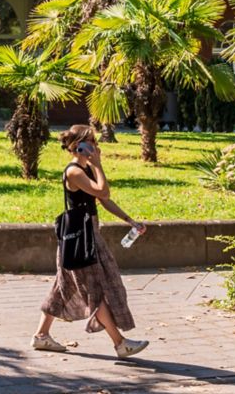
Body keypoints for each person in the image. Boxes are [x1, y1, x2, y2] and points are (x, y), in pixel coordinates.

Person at [33, 124, 150, 360]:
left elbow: (104, 200)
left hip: (89, 236)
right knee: (95, 289)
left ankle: (41, 336)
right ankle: (120, 343)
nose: (96, 146)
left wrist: (129, 220)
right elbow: (103, 191)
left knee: (62, 288)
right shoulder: (74, 172)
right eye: (92, 142)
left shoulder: (85, 169)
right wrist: (98, 165)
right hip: (81, 241)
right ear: (80, 146)